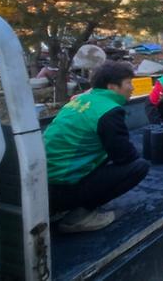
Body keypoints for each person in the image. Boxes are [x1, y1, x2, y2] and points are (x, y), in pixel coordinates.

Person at [44, 61, 150, 233]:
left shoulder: (80, 100)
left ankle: (58, 209)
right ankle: (79, 216)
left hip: (44, 184)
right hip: (64, 185)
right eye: (128, 83)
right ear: (112, 87)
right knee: (138, 166)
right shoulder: (109, 112)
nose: (133, 88)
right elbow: (124, 156)